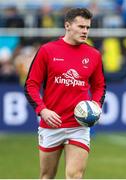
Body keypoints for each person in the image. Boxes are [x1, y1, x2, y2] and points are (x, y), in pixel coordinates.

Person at [24, 8, 106, 179]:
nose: (85, 31)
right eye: (81, 26)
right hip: (51, 125)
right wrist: (43, 110)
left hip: (79, 126)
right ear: (67, 25)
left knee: (75, 175)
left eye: (87, 28)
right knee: (47, 175)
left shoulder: (94, 55)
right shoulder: (48, 50)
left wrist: (95, 106)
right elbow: (31, 85)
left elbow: (99, 86)